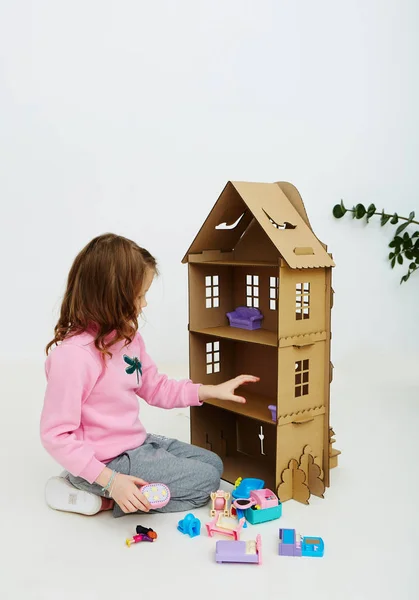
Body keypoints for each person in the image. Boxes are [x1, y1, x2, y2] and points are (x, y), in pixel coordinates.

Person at [40, 233, 259, 517]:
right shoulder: (74, 357)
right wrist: (111, 480)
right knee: (207, 483)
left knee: (215, 465)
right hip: (106, 463)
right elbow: (55, 434)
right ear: (111, 297)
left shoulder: (127, 339)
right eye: (139, 296)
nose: (144, 305)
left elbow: (155, 387)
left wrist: (209, 391)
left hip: (135, 444)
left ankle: (107, 490)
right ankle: (98, 491)